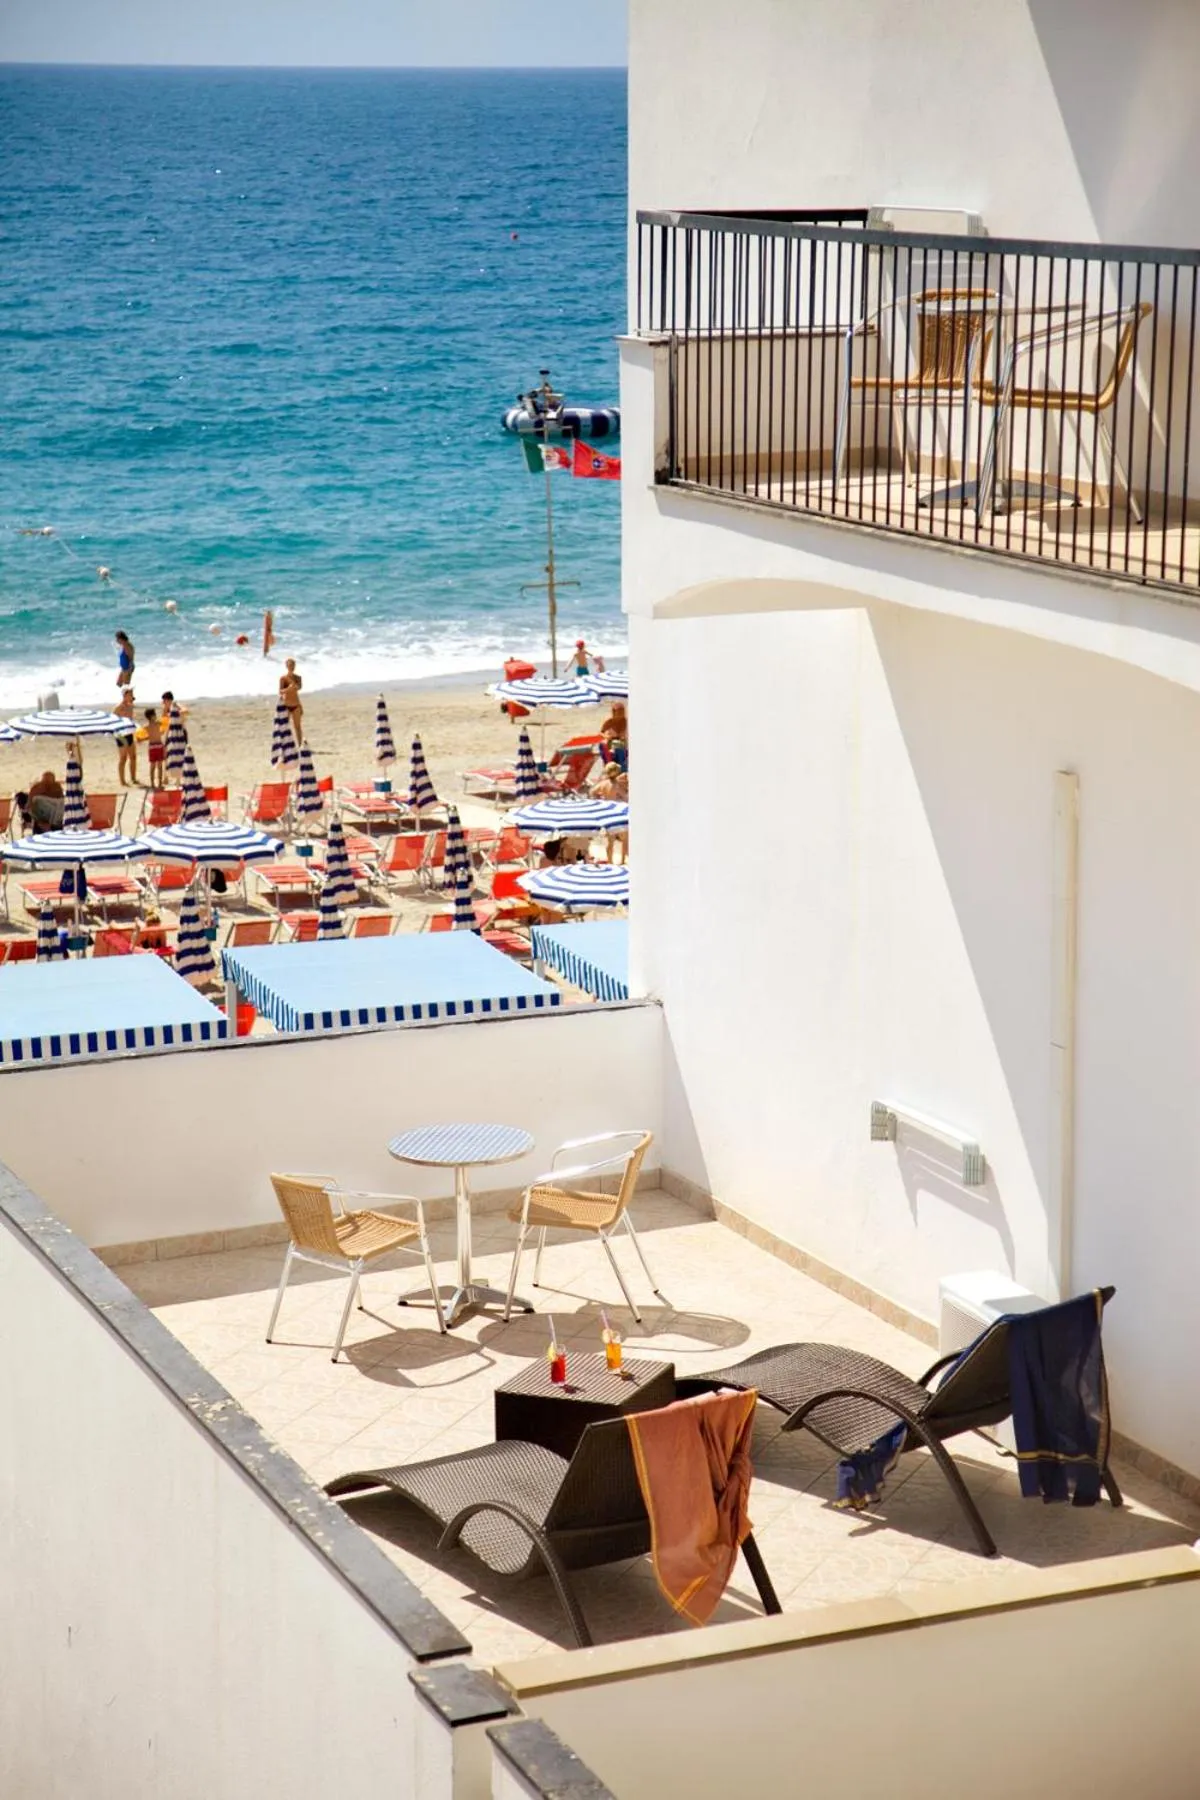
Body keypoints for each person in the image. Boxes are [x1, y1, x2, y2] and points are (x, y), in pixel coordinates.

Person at [114, 688, 137, 786]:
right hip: (121, 734)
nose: (132, 695)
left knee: (133, 756)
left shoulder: (130, 706)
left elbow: (130, 719)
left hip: (129, 733)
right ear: (125, 695)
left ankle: (133, 778)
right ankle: (122, 781)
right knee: (123, 758)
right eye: (130, 693)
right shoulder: (119, 707)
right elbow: (113, 720)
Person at [279, 657, 303, 742]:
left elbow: (298, 687)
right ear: (286, 666)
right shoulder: (283, 678)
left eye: (293, 665)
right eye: (290, 665)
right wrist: (288, 689)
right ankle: (284, 746)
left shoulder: (298, 678)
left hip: (296, 705)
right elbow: (280, 691)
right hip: (286, 705)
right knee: (284, 727)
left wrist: (292, 683)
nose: (291, 667)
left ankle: (300, 745)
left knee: (297, 726)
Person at [144, 709, 165, 789]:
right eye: (154, 715)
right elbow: (145, 736)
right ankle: (153, 783)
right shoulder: (149, 726)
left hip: (156, 746)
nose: (156, 716)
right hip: (155, 746)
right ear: (151, 716)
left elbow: (161, 731)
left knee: (158, 766)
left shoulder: (156, 724)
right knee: (154, 766)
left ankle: (158, 783)